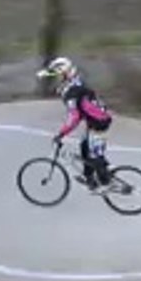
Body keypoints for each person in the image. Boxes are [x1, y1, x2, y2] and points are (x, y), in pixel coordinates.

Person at [36, 56, 115, 192]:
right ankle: (90, 178)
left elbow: (74, 117)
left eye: (58, 77)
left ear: (64, 75)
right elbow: (79, 113)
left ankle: (105, 183)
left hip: (99, 122)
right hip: (96, 119)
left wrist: (62, 133)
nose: (57, 82)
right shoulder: (75, 83)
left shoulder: (72, 92)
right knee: (85, 146)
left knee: (94, 155)